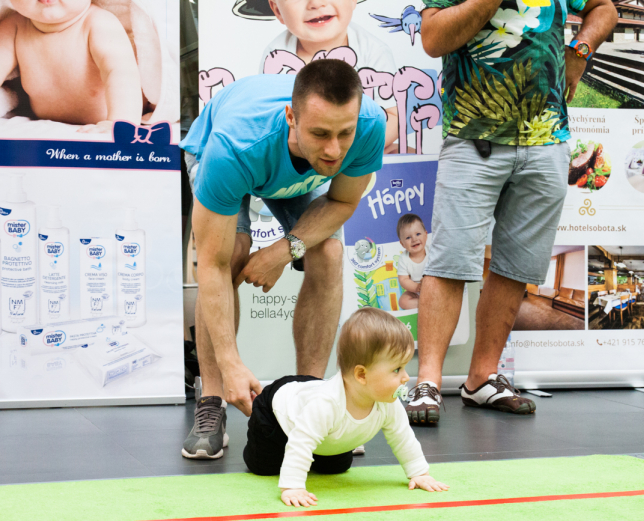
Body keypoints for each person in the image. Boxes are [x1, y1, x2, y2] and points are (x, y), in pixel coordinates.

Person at [405, 0, 618, 423]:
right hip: (472, 137)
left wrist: (580, 51)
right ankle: (426, 383)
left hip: (547, 138)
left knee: (516, 264)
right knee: (449, 261)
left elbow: (605, 9)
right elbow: (432, 39)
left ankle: (482, 379)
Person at [179, 59, 387, 458]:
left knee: (327, 250)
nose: (334, 149)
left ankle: (310, 404)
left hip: (290, 175)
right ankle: (210, 401)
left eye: (345, 133)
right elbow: (212, 264)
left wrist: (282, 250)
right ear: (291, 117)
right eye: (321, 133)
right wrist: (231, 363)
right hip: (233, 159)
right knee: (232, 254)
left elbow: (343, 201)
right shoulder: (234, 146)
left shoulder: (369, 125)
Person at [243, 307, 449, 507]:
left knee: (337, 467)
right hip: (277, 411)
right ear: (361, 375)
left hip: (317, 406)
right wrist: (292, 486)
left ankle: (327, 443)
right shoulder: (326, 404)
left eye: (404, 368)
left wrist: (419, 473)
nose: (406, 377)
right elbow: (300, 443)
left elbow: (403, 438)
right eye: (396, 370)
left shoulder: (388, 403)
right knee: (264, 466)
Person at [254, 0, 400, 153]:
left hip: (359, 147)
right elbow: (269, 122)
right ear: (277, 10)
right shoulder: (276, 57)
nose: (316, 3)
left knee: (398, 152)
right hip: (302, 151)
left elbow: (394, 117)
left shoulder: (373, 51)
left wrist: (355, 151)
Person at [0, 0, 142, 131]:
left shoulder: (99, 24)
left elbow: (121, 73)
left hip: (101, 124)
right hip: (47, 127)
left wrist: (120, 123)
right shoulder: (14, 27)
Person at [396, 214, 428, 310]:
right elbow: (403, 280)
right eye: (408, 238)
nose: (414, 239)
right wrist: (417, 287)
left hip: (432, 288)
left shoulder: (432, 254)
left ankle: (432, 301)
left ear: (425, 235)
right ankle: (427, 304)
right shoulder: (403, 259)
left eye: (418, 234)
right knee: (403, 301)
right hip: (415, 291)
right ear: (402, 244)